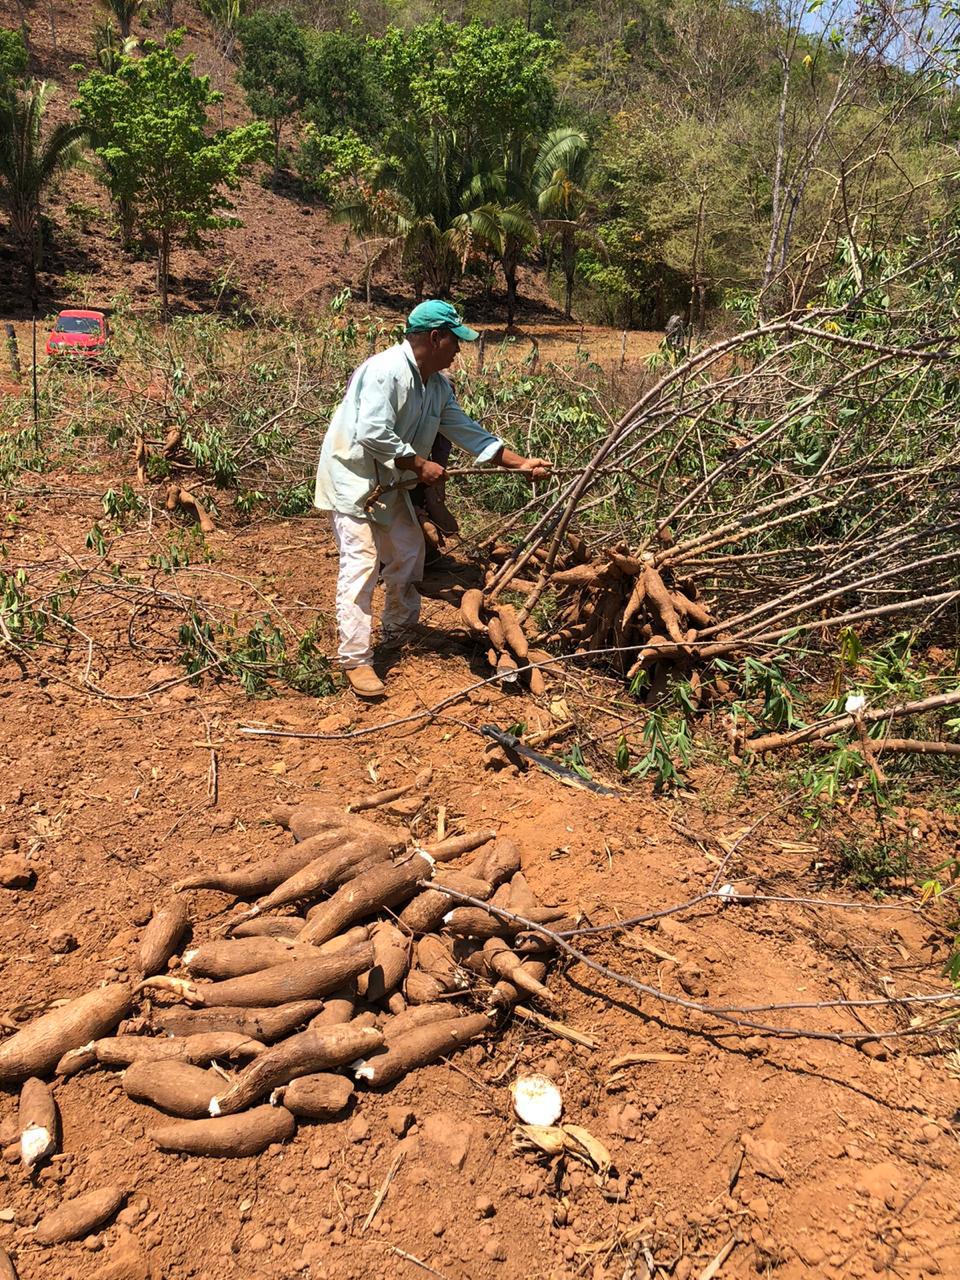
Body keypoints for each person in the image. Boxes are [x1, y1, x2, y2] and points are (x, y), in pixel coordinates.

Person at [314, 299, 551, 698]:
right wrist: (419, 465)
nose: (459, 349)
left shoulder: (437, 386)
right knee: (362, 565)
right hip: (354, 482)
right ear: (435, 337)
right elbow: (371, 431)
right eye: (454, 341)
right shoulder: (384, 371)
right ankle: (355, 659)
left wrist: (521, 463)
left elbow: (465, 429)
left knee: (408, 552)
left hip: (391, 484)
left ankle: (398, 633)